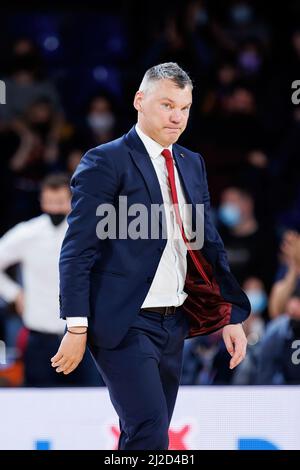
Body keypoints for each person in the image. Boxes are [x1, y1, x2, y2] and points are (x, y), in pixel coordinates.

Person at [52, 63, 250, 450]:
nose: (177, 117)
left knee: (142, 436)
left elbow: (208, 246)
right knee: (150, 431)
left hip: (174, 322)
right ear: (139, 101)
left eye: (186, 108)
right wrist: (77, 327)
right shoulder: (105, 161)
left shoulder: (192, 163)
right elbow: (77, 251)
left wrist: (230, 313)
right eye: (167, 105)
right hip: (125, 323)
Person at [0, 173, 100, 386]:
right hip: (40, 338)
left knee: (88, 402)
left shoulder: (88, 233)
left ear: (71, 200)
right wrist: (14, 293)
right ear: (42, 201)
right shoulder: (28, 233)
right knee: (39, 406)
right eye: (50, 202)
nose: (55, 208)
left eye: (60, 202)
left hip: (81, 335)